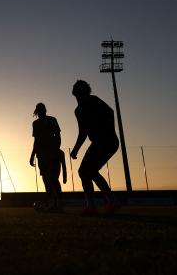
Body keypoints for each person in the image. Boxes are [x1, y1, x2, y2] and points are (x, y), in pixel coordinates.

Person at [70, 80, 120, 215]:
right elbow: (83, 131)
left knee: (87, 171)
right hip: (99, 142)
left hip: (107, 141)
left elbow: (110, 112)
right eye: (78, 94)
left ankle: (103, 202)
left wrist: (108, 131)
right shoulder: (78, 110)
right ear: (75, 94)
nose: (80, 97)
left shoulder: (94, 101)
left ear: (87, 92)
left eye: (82, 93)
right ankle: (99, 203)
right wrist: (76, 149)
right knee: (87, 171)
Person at [29, 103, 63, 211]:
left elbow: (58, 135)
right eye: (39, 110)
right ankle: (51, 203)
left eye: (42, 110)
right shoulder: (35, 123)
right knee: (46, 179)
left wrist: (56, 149)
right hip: (41, 155)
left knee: (53, 178)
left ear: (45, 110)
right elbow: (36, 141)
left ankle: (58, 203)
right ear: (37, 112)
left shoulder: (52, 120)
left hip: (52, 153)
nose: (41, 112)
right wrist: (32, 155)